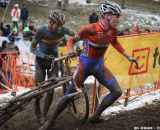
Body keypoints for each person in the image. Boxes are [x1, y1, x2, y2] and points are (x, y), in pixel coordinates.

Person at [39, 1, 138, 130]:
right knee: (69, 96)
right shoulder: (90, 29)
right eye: (117, 16)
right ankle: (50, 122)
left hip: (99, 66)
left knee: (117, 92)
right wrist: (71, 51)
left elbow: (115, 43)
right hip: (84, 67)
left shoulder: (113, 31)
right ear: (107, 15)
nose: (118, 20)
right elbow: (71, 40)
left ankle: (96, 116)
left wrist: (129, 57)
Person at [30, 9, 75, 125]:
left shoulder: (63, 30)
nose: (59, 28)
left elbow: (76, 36)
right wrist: (44, 56)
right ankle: (36, 103)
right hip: (41, 62)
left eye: (61, 26)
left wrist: (74, 48)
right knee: (40, 90)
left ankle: (44, 115)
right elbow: (32, 49)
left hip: (54, 62)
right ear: (50, 22)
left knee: (51, 91)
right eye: (57, 25)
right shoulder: (41, 31)